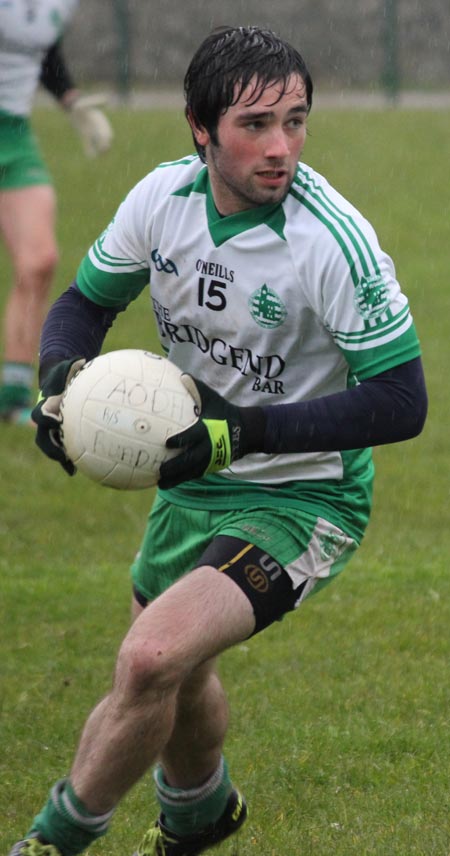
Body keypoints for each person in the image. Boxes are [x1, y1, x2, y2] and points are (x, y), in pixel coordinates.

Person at [9, 25, 427, 856]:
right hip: (192, 476)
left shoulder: (331, 241)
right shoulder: (161, 200)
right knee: (180, 672)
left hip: (305, 495)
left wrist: (242, 435)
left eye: (296, 122)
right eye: (256, 126)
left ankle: (52, 840)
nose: (282, 148)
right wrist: (62, 385)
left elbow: (401, 401)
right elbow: (84, 307)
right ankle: (201, 813)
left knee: (149, 658)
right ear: (200, 128)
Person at [0, 0, 113, 424]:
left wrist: (71, 100)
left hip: (13, 132)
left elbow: (40, 48)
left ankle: (11, 397)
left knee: (39, 260)